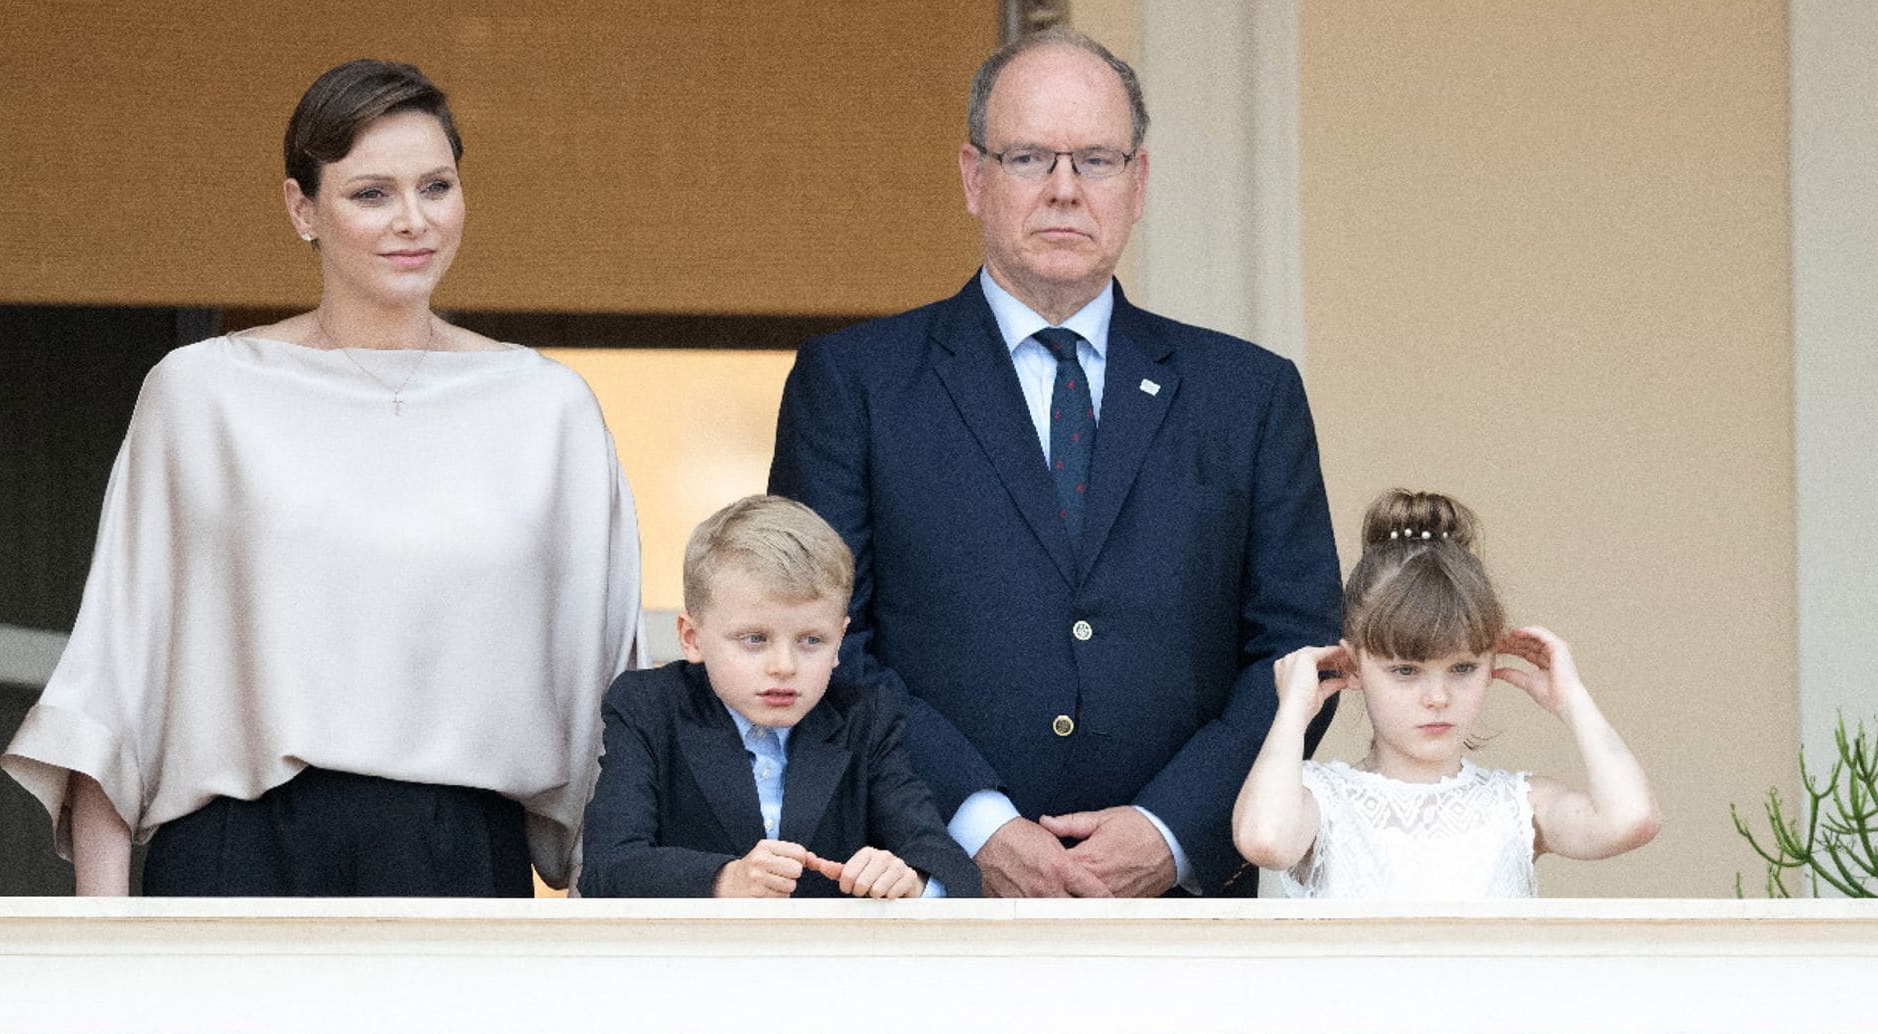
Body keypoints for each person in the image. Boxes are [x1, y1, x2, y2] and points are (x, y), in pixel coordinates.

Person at [1, 59, 644, 897]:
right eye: (371, 194)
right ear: (302, 208)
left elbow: (614, 708)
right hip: (236, 854)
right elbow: (116, 680)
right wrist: (105, 951)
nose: (412, 221)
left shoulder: (547, 408)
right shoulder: (202, 393)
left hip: (461, 859)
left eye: (436, 187)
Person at [768, 28, 1342, 898]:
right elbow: (820, 638)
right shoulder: (854, 384)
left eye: (1098, 161)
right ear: (973, 178)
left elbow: (1302, 656)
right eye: (1031, 157)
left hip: (1183, 920)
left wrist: (1171, 830)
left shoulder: (1248, 396)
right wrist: (976, 824)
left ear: (1138, 182)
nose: (1065, 191)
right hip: (922, 895)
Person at [1231, 490, 1662, 898]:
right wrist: (1292, 709)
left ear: (1491, 663)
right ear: (1353, 666)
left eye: (1462, 668)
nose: (1437, 697)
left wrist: (1573, 701)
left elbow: (1630, 819)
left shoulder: (1519, 805)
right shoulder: (1319, 800)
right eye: (1405, 670)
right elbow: (1265, 840)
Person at [579, 496, 978, 899]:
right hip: (690, 960)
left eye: (811, 640)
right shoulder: (648, 708)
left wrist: (914, 882)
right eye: (755, 639)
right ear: (691, 637)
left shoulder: (866, 719)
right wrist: (726, 881)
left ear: (840, 640)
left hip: (832, 959)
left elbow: (947, 863)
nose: (784, 666)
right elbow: (607, 869)